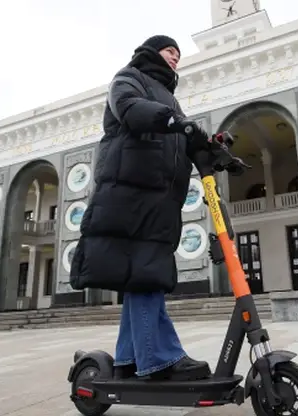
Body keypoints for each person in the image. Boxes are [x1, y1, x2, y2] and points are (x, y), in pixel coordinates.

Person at [69, 35, 213, 382]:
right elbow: (131, 109)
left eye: (178, 54)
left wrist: (214, 152)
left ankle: (128, 361)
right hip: (132, 196)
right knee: (148, 274)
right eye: (169, 51)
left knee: (140, 277)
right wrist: (171, 120)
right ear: (152, 53)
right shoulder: (128, 78)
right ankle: (160, 360)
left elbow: (185, 136)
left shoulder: (170, 101)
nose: (176, 58)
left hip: (159, 199)